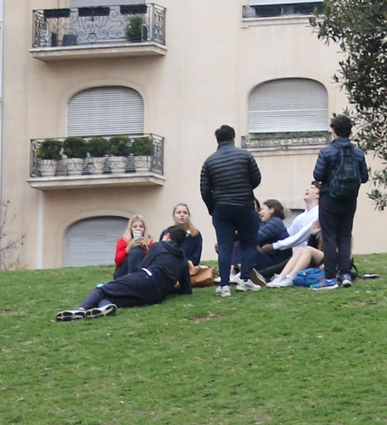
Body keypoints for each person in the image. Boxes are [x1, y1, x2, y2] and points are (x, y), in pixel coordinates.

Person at [57, 229, 193, 320]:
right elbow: (187, 289)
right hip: (157, 296)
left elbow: (143, 265)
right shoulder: (183, 260)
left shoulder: (159, 246)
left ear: (168, 236)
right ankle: (103, 307)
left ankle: (81, 309)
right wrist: (170, 288)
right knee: (114, 297)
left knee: (103, 288)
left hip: (145, 277)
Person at [195, 124, 262, 297]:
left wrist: (213, 208)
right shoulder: (245, 155)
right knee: (249, 243)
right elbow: (256, 179)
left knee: (225, 246)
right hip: (245, 205)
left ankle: (224, 285)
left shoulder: (209, 161)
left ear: (217, 140)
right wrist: (245, 188)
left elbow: (204, 189)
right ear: (233, 138)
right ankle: (246, 279)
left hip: (221, 208)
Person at [308, 113, 370, 287]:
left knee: (329, 237)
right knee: (344, 237)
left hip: (329, 198)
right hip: (350, 199)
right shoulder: (357, 152)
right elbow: (364, 177)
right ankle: (345, 275)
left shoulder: (327, 151)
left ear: (333, 130)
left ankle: (329, 277)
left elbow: (318, 175)